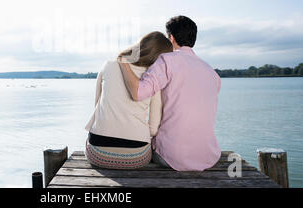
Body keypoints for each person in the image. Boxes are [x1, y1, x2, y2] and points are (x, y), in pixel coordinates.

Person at [118, 16, 221, 171]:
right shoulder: (212, 72)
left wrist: (124, 62)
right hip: (208, 156)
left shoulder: (166, 60)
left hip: (171, 156)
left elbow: (138, 93)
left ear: (171, 38)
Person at [85, 32, 173, 169]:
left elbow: (97, 106)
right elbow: (154, 128)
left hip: (98, 153)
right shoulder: (154, 78)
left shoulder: (109, 64)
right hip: (136, 156)